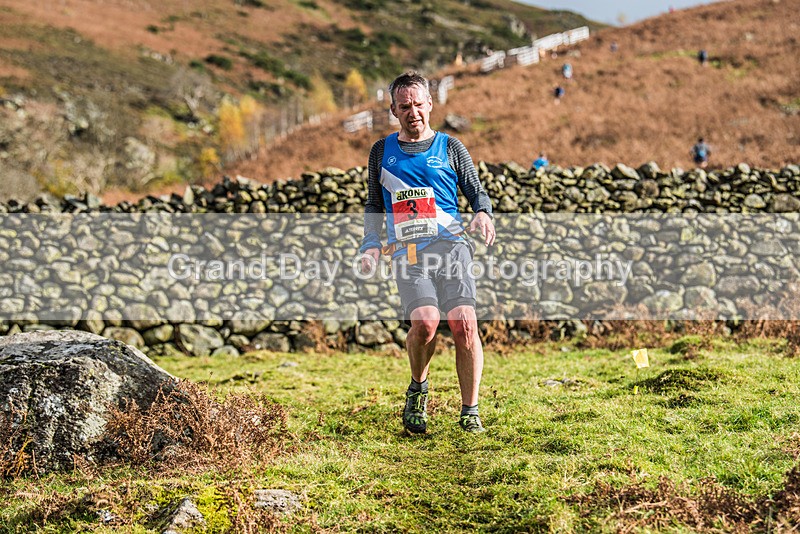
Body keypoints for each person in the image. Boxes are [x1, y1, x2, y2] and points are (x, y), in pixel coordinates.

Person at [359, 71, 496, 435]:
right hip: (409, 253)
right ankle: (418, 388)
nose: (413, 112)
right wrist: (371, 245)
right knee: (424, 323)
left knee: (465, 324)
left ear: (430, 105)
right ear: (393, 110)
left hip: (452, 247)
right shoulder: (381, 151)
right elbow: (374, 204)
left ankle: (470, 410)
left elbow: (477, 193)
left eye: (419, 104)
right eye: (405, 106)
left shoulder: (451, 148)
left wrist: (483, 213)